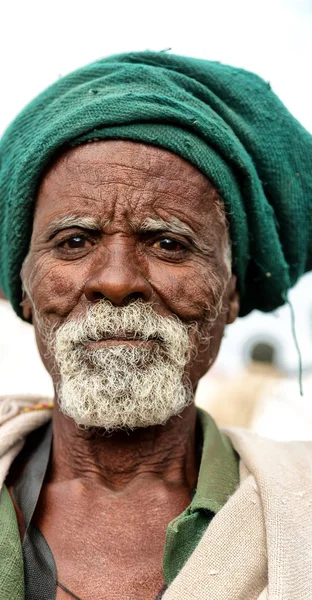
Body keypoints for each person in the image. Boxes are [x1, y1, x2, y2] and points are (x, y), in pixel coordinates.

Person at [0, 51, 311, 600]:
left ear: (231, 293)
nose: (117, 282)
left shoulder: (301, 505)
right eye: (74, 241)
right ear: (24, 291)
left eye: (169, 243)